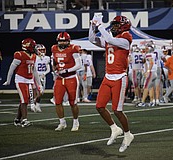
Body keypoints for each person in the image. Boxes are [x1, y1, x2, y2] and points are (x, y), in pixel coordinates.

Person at [89, 14, 134, 152]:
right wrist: (92, 25)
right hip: (108, 77)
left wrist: (100, 25)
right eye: (113, 25)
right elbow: (92, 39)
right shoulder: (112, 39)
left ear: (123, 26)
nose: (113, 27)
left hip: (120, 77)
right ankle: (114, 128)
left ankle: (128, 134)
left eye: (116, 25)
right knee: (100, 106)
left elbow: (109, 39)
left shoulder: (126, 38)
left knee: (117, 110)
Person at [3, 38, 43, 127]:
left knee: (25, 100)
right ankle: (24, 120)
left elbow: (34, 70)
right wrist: (8, 80)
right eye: (33, 46)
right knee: (24, 100)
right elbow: (11, 68)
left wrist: (39, 83)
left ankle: (17, 119)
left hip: (29, 80)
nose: (35, 48)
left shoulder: (33, 56)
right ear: (28, 47)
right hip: (20, 79)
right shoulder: (19, 55)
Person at [51, 32, 81, 131]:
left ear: (68, 41)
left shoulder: (73, 48)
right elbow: (54, 62)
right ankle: (62, 122)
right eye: (61, 40)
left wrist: (66, 70)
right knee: (58, 101)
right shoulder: (54, 48)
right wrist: (54, 69)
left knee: (73, 102)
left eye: (64, 41)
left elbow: (79, 65)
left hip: (71, 78)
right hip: (59, 78)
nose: (62, 42)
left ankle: (76, 122)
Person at [31, 44, 51, 112]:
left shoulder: (47, 58)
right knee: (36, 91)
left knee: (41, 92)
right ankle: (36, 105)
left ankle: (34, 103)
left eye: (43, 50)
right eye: (40, 50)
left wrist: (44, 73)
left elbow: (48, 69)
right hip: (35, 76)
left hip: (42, 76)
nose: (42, 51)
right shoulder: (34, 57)